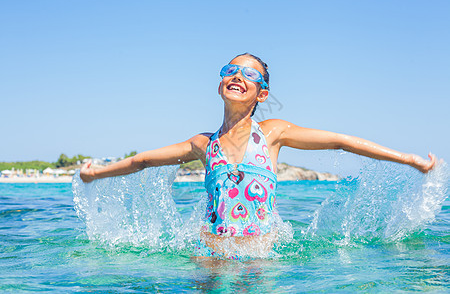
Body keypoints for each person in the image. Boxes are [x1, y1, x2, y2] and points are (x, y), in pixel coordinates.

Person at [80, 53, 436, 259]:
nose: (237, 75)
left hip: (260, 254)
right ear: (220, 84)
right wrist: (95, 174)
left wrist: (408, 158)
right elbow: (141, 161)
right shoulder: (203, 144)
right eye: (230, 70)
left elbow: (340, 141)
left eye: (249, 74)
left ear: (261, 94)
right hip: (211, 253)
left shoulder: (272, 133)